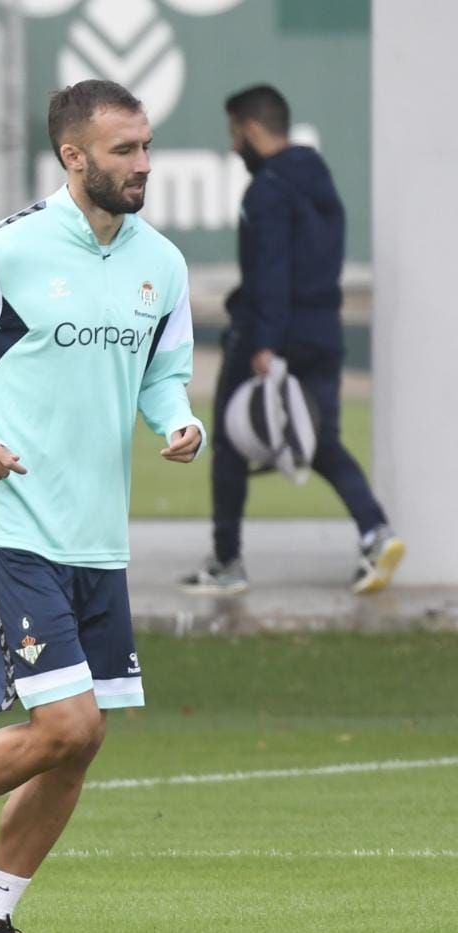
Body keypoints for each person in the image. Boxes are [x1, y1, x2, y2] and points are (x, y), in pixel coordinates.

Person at [0, 81, 203, 933]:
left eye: (146, 146)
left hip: (99, 537)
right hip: (12, 522)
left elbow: (161, 377)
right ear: (74, 157)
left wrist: (179, 423)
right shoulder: (4, 253)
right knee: (69, 723)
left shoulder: (162, 264)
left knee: (76, 747)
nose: (143, 164)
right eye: (124, 150)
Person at [183, 84, 402, 595]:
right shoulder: (320, 181)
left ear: (252, 130)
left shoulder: (267, 190)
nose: (233, 144)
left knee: (231, 445)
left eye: (234, 133)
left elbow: (272, 270)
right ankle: (376, 531)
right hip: (323, 331)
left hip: (270, 334)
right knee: (322, 441)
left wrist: (264, 341)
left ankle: (227, 562)